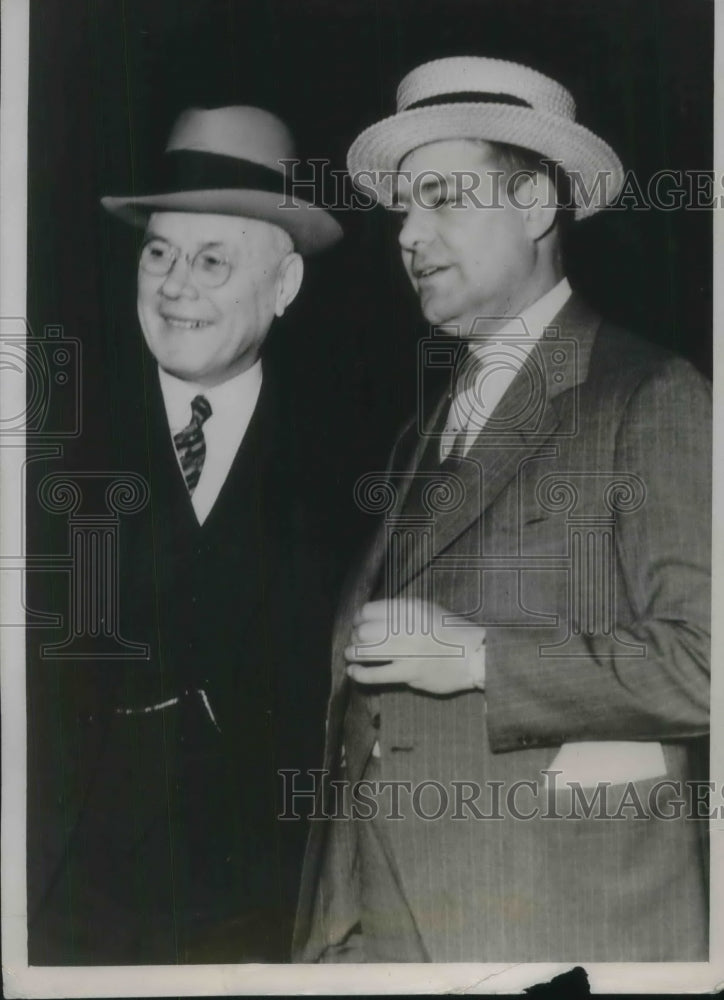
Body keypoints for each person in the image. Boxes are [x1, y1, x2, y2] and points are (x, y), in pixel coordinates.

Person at [293, 57, 711, 963]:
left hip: (554, 926)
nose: (408, 232)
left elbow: (708, 662)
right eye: (404, 207)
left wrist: (483, 658)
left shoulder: (653, 396)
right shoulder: (425, 428)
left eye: (442, 197)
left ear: (534, 207)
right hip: (381, 923)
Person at [27, 105, 342, 964]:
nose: (174, 286)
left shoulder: (351, 468)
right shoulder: (49, 438)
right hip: (60, 905)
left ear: (284, 287)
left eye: (211, 259)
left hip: (264, 916)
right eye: (158, 253)